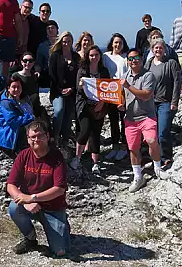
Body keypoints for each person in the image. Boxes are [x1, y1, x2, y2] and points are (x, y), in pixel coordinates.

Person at [6, 121, 70, 257]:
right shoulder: (23, 155)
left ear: (47, 136)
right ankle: (30, 238)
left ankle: (62, 223)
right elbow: (10, 185)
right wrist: (25, 201)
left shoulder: (57, 157)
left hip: (53, 207)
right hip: (31, 204)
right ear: (28, 139)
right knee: (14, 208)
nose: (36, 140)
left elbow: (59, 189)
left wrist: (33, 198)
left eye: (40, 136)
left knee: (60, 251)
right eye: (32, 137)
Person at [120, 49, 165, 193]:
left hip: (147, 116)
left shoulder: (148, 75)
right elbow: (121, 96)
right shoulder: (124, 76)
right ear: (127, 61)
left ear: (141, 59)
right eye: (131, 58)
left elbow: (146, 95)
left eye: (137, 57)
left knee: (152, 141)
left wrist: (128, 86)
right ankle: (138, 176)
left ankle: (158, 168)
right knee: (133, 149)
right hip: (130, 119)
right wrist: (120, 105)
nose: (134, 61)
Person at [71, 45, 111, 174]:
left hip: (99, 106)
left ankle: (95, 163)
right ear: (88, 57)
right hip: (84, 106)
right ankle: (77, 158)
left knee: (96, 133)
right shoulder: (82, 71)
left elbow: (108, 89)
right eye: (91, 55)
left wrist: (102, 102)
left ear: (100, 56)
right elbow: (79, 89)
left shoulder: (104, 71)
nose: (94, 57)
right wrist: (82, 86)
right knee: (85, 130)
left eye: (96, 55)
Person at [144, 38, 182, 167]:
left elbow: (177, 83)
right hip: (150, 103)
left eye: (161, 48)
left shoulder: (171, 63)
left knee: (163, 131)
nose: (158, 50)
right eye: (156, 48)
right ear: (152, 49)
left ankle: (166, 156)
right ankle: (155, 158)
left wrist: (175, 101)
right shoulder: (149, 63)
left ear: (164, 49)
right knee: (152, 133)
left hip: (165, 102)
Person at [48, 31, 80, 153]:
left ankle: (65, 140)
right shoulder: (55, 55)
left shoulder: (76, 57)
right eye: (64, 41)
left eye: (69, 41)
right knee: (59, 110)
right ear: (60, 42)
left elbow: (78, 75)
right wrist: (60, 89)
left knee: (68, 117)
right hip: (57, 91)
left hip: (71, 92)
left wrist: (71, 88)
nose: (66, 43)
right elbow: (52, 74)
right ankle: (55, 136)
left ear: (72, 42)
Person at [0, 76, 35, 158]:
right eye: (13, 87)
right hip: (5, 135)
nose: (16, 89)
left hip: (11, 129)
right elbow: (13, 122)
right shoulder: (6, 103)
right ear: (8, 88)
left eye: (18, 87)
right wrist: (30, 117)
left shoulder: (22, 100)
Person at [102, 33, 130, 161]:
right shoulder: (105, 56)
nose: (117, 45)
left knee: (124, 120)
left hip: (124, 91)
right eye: (115, 42)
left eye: (120, 42)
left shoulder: (126, 57)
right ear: (112, 43)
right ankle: (115, 146)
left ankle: (125, 147)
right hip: (110, 92)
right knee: (113, 120)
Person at [13, 52, 49, 126]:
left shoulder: (34, 76)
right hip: (21, 104)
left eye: (30, 61)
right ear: (21, 62)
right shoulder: (16, 76)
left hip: (34, 105)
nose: (28, 63)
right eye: (25, 61)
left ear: (33, 63)